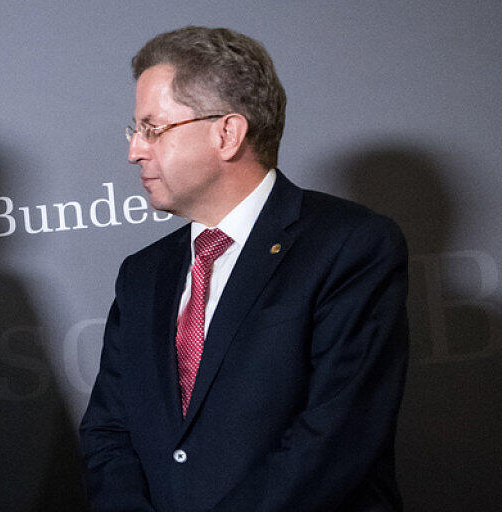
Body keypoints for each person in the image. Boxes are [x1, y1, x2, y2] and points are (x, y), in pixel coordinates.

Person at [79, 26, 408, 511]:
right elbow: (110, 432)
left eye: (153, 128)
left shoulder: (349, 246)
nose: (135, 151)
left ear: (227, 133)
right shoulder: (142, 275)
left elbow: (334, 436)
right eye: (135, 130)